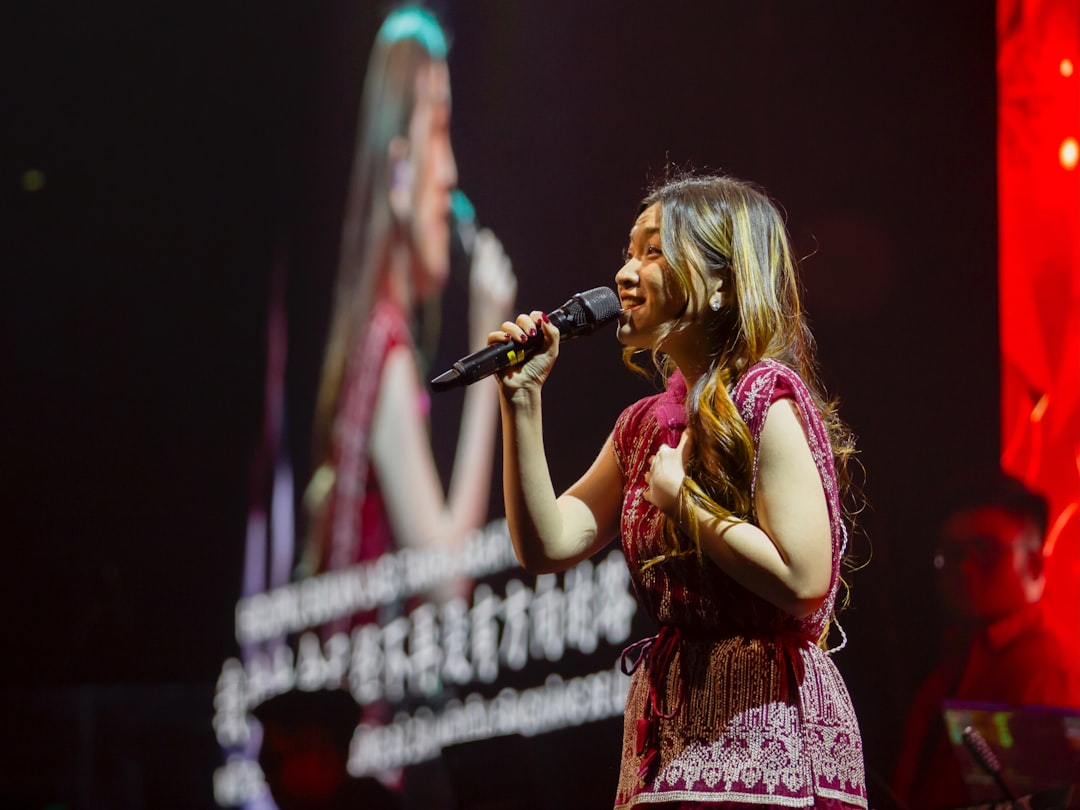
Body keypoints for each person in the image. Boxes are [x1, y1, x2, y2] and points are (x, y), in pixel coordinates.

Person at [489, 173, 868, 808]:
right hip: (671, 731)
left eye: (654, 251)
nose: (625, 273)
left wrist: (685, 505)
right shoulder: (642, 428)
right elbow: (548, 543)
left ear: (722, 282)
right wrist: (522, 401)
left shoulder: (763, 398)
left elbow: (806, 580)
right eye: (628, 251)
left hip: (767, 734)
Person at [298, 5, 516, 584]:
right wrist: (490, 359)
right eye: (438, 131)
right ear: (398, 176)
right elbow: (448, 583)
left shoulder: (374, 338)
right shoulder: (386, 348)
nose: (449, 175)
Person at [890, 470, 1080, 809]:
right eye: (951, 553)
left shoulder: (1043, 667)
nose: (964, 568)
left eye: (985, 551)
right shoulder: (956, 661)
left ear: (1034, 563)